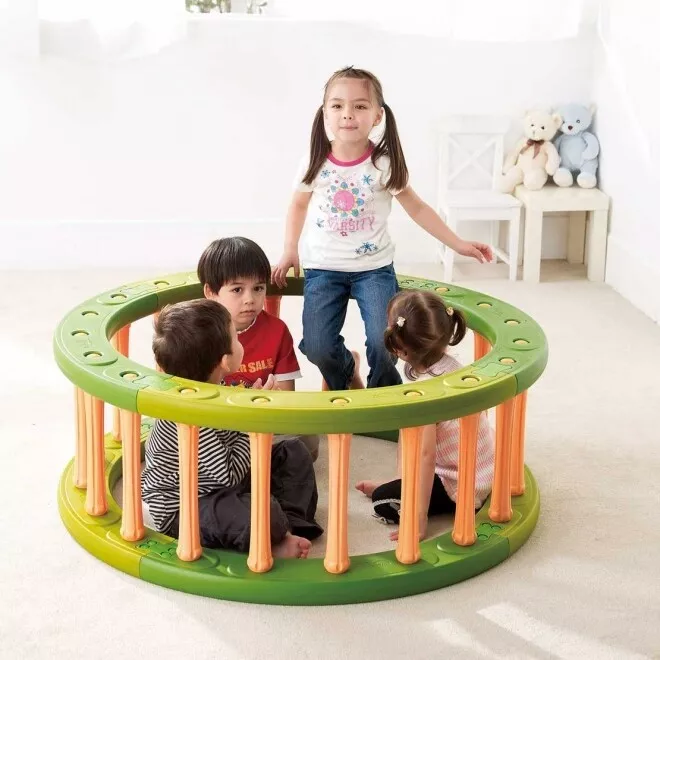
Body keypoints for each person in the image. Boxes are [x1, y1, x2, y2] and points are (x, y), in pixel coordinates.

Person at [272, 66, 493, 393]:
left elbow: (417, 207)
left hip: (373, 269)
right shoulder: (315, 159)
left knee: (386, 342)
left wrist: (457, 243)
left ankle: (383, 395)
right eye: (337, 105)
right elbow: (298, 205)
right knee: (317, 345)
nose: (348, 114)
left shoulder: (383, 162)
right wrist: (289, 249)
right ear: (325, 113)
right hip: (323, 267)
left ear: (377, 116)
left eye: (360, 106)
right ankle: (347, 374)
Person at [141, 299, 322, 558]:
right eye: (236, 338)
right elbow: (230, 475)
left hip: (220, 482)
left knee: (293, 452)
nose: (241, 342)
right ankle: (273, 533)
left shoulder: (214, 386)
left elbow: (231, 456)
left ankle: (289, 527)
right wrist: (253, 422)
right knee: (260, 512)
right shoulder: (192, 415)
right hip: (187, 506)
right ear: (225, 361)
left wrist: (248, 407)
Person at [355, 290, 495, 539]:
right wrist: (401, 479)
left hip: (462, 486)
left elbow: (425, 457)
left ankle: (402, 493)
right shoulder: (452, 368)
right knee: (407, 434)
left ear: (399, 348)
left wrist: (417, 518)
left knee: (382, 500)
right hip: (483, 468)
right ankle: (399, 481)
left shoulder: (424, 396)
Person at [198, 235, 319, 461]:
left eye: (258, 288)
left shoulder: (277, 331)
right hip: (216, 424)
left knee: (307, 439)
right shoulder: (199, 332)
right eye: (237, 290)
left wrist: (266, 400)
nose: (250, 299)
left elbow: (286, 397)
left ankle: (254, 460)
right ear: (211, 292)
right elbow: (194, 396)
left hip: (263, 419)